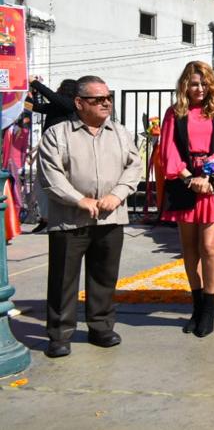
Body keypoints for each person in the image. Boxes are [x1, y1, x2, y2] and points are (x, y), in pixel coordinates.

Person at [38, 75, 143, 358]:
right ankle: (59, 335)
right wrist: (79, 199)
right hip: (70, 219)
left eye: (108, 97)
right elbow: (51, 175)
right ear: (79, 103)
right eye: (98, 99)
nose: (106, 103)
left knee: (104, 276)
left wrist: (117, 195)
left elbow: (134, 167)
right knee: (63, 279)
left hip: (110, 217)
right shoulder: (57, 134)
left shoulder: (120, 133)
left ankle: (101, 327)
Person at [158, 61, 214, 337]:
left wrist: (207, 177)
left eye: (204, 83)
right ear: (185, 85)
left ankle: (209, 309)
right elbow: (168, 150)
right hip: (185, 182)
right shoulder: (174, 113)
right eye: (194, 83)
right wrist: (187, 178)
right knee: (189, 248)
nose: (200, 89)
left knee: (209, 247)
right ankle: (196, 305)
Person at [28, 77, 78, 232]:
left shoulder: (71, 105)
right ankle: (45, 218)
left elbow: (54, 97)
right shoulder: (57, 106)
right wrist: (34, 93)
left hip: (62, 150)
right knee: (42, 185)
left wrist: (35, 83)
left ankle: (58, 218)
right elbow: (36, 107)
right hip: (48, 148)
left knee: (60, 183)